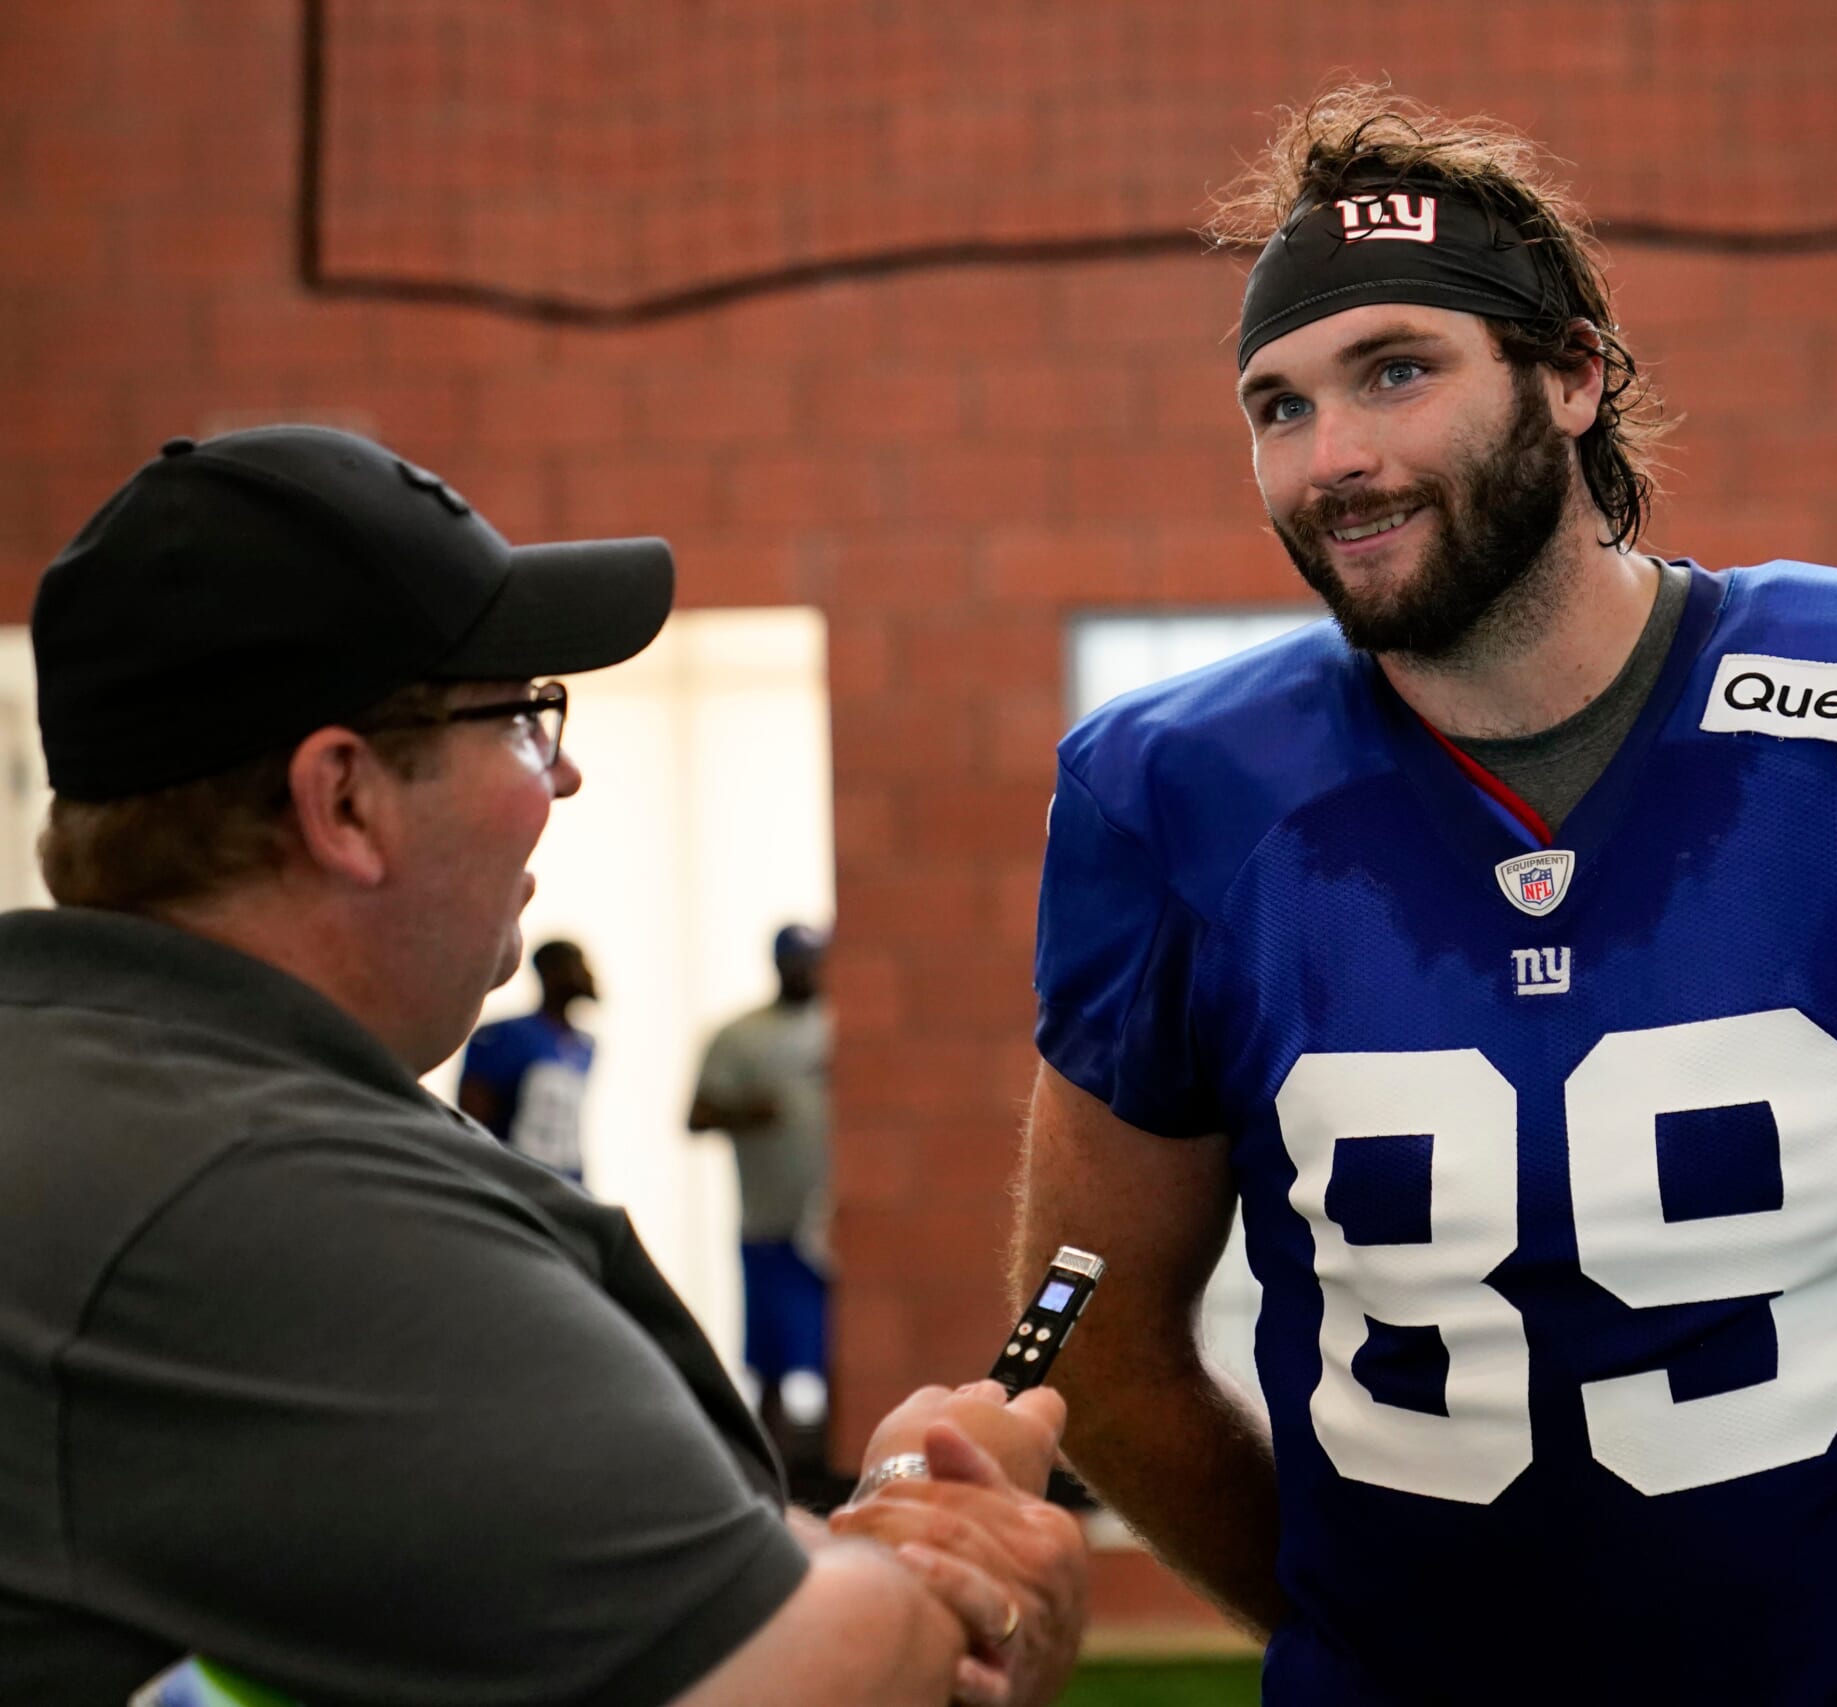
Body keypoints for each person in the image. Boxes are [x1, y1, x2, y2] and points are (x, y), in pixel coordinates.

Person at [1012, 87, 1837, 1705]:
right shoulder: (1170, 794)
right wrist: (1343, 1632)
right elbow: (1092, 1338)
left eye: (1396, 370)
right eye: (1279, 404)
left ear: (1576, 373)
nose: (1336, 459)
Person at [0, 426, 1084, 1706]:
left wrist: (841, 1566)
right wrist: (944, 1528)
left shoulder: (99, 1085)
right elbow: (792, 1682)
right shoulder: (259, 1193)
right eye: (522, 718)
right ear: (343, 800)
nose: (564, 774)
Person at [690, 923, 836, 1432]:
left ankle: (838, 1454)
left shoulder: (845, 1026)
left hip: (837, 1226)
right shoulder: (739, 1036)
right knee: (771, 1355)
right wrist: (754, 1112)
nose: (807, 971)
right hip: (769, 1219)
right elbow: (697, 1115)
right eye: (797, 961)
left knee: (841, 1351)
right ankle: (774, 1465)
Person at [459, 937, 600, 1180]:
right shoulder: (505, 1035)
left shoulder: (585, 1046)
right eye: (578, 964)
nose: (588, 974)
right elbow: (473, 1118)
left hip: (568, 1185)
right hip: (516, 1182)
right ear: (551, 972)